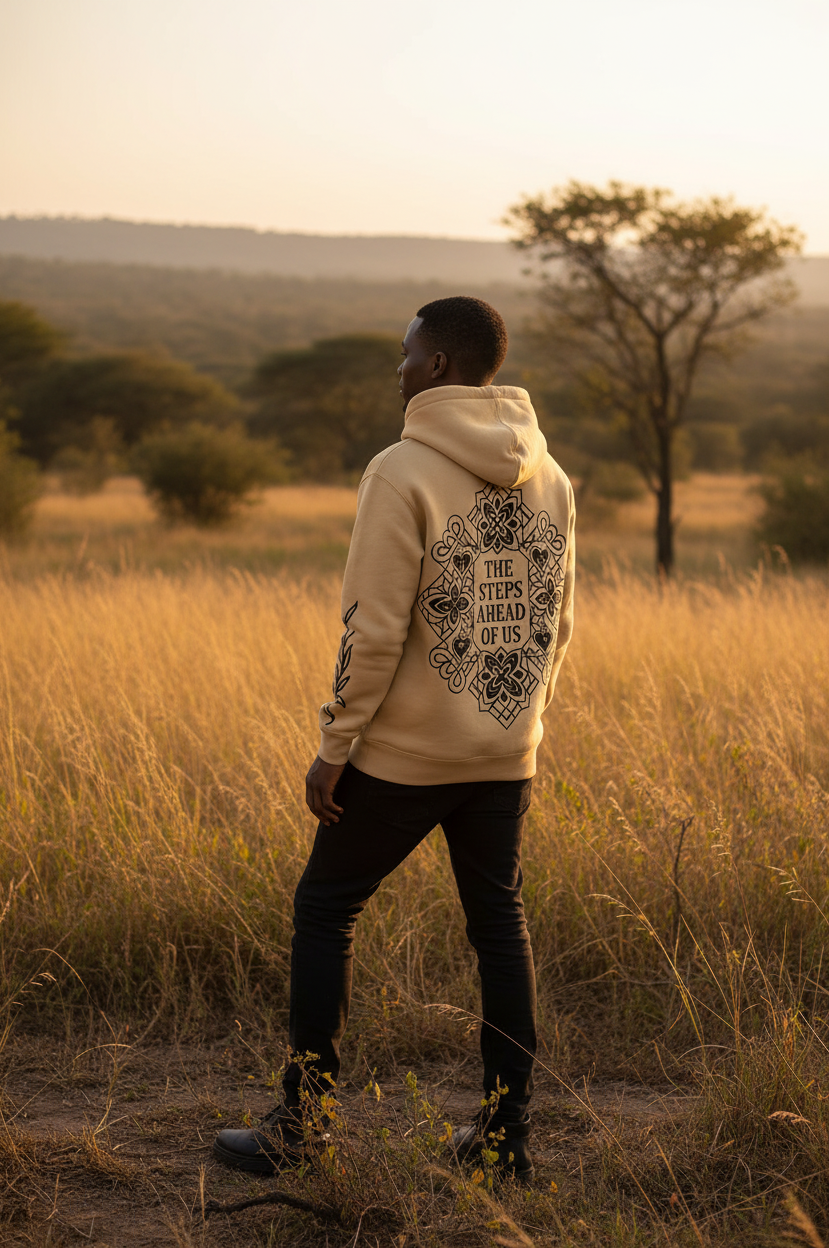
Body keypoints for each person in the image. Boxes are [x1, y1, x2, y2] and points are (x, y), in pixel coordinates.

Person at [214, 295, 575, 1183]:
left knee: (325, 910)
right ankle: (504, 1140)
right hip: (504, 750)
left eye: (408, 353)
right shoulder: (551, 475)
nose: (400, 367)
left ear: (441, 366)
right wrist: (519, 725)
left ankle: (303, 1129)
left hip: (404, 756)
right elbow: (556, 623)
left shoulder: (399, 469)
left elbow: (371, 631)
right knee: (501, 927)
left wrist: (335, 744)